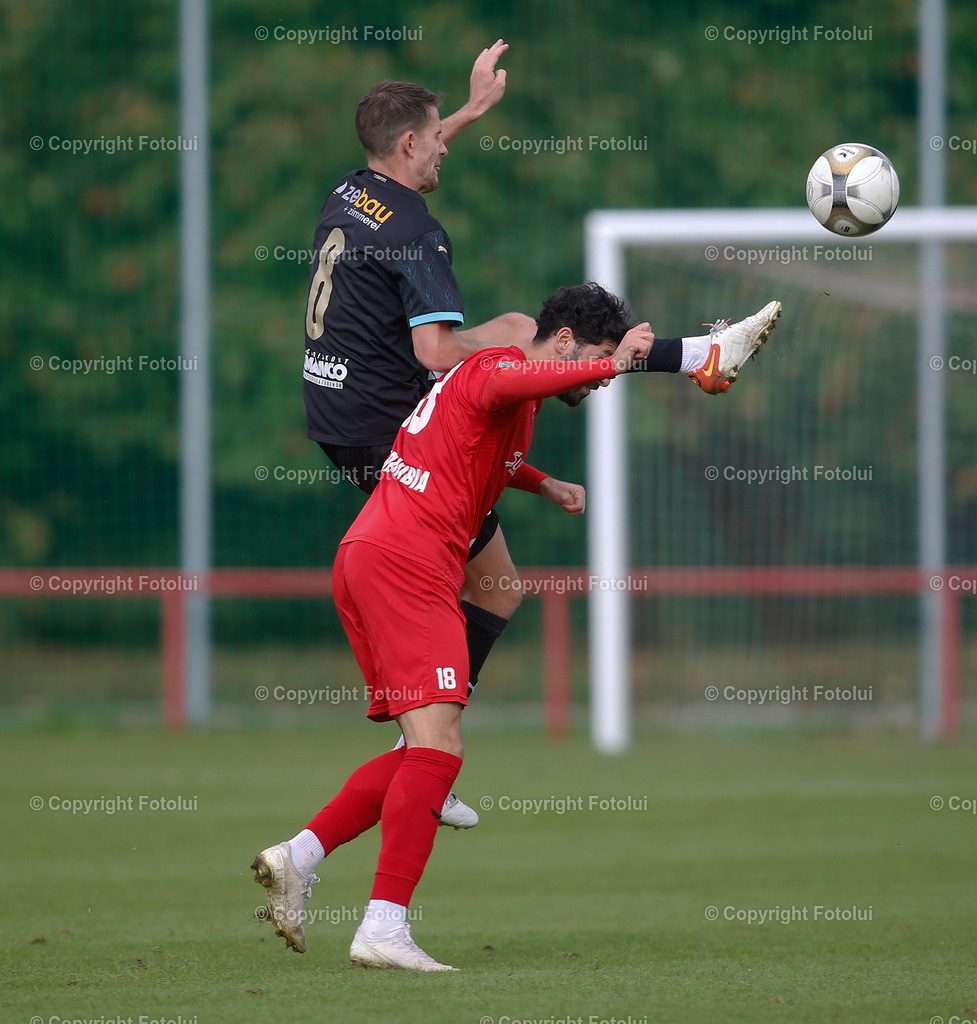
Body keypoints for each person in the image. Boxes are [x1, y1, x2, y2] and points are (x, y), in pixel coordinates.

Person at [300, 44, 782, 830]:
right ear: (410, 148)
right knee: (546, 357)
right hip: (383, 423)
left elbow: (409, 147)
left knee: (501, 567)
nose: (444, 148)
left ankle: (431, 745)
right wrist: (504, 373)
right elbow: (431, 355)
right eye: (437, 137)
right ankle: (697, 355)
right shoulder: (418, 229)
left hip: (339, 410)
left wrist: (469, 110)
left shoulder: (352, 192)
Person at [253, 282, 782, 970]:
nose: (593, 380)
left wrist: (545, 484)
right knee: (437, 749)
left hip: (372, 555)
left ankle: (299, 856)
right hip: (404, 563)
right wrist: (625, 360)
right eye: (588, 358)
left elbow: (481, 454)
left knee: (426, 741)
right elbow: (530, 376)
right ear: (561, 342)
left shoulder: (510, 399)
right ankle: (382, 928)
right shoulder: (496, 368)